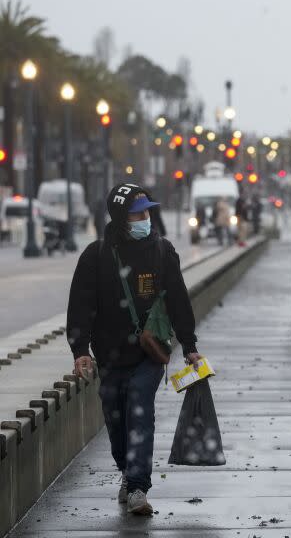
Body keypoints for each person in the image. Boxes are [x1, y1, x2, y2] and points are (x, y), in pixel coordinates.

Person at [67, 183, 203, 516]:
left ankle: (139, 486)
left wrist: (189, 345)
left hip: (149, 354)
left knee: (140, 410)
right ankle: (128, 472)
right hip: (110, 356)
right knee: (115, 420)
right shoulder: (96, 256)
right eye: (137, 213)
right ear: (120, 217)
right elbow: (81, 306)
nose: (145, 219)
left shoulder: (161, 251)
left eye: (147, 212)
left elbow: (178, 301)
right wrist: (80, 350)